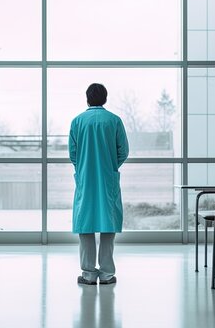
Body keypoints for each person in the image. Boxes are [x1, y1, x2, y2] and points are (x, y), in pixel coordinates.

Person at [69, 83, 129, 285]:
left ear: (87, 98)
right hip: (107, 179)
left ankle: (87, 273)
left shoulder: (77, 121)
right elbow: (124, 151)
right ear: (105, 98)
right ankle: (106, 274)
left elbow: (73, 153)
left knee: (85, 224)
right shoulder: (114, 121)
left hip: (86, 178)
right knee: (108, 222)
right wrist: (111, 165)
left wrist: (84, 166)